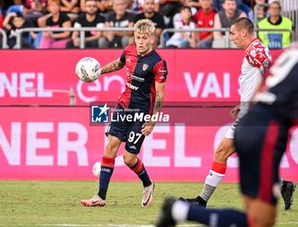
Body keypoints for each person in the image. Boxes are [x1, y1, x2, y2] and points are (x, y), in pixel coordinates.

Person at [156, 42, 298, 227]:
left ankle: (183, 209)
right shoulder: (258, 49)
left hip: (252, 121)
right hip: (266, 129)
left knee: (256, 217)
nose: (232, 36)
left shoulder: (291, 50)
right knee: (260, 220)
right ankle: (184, 208)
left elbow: (265, 83)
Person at [180, 17, 296, 211]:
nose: (231, 37)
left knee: (221, 151)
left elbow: (271, 71)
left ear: (244, 32)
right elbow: (260, 79)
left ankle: (201, 201)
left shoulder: (254, 50)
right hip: (251, 111)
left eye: (233, 33)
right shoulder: (254, 49)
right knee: (252, 158)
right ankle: (283, 185)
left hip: (253, 116)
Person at [80, 18, 168, 207]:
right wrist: (98, 72)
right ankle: (100, 197)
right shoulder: (128, 51)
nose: (141, 41)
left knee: (129, 158)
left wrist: (153, 121)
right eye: (138, 37)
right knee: (111, 146)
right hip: (123, 106)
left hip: (141, 113)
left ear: (152, 38)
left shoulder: (158, 63)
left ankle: (148, 184)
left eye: (145, 38)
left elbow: (160, 95)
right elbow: (118, 64)